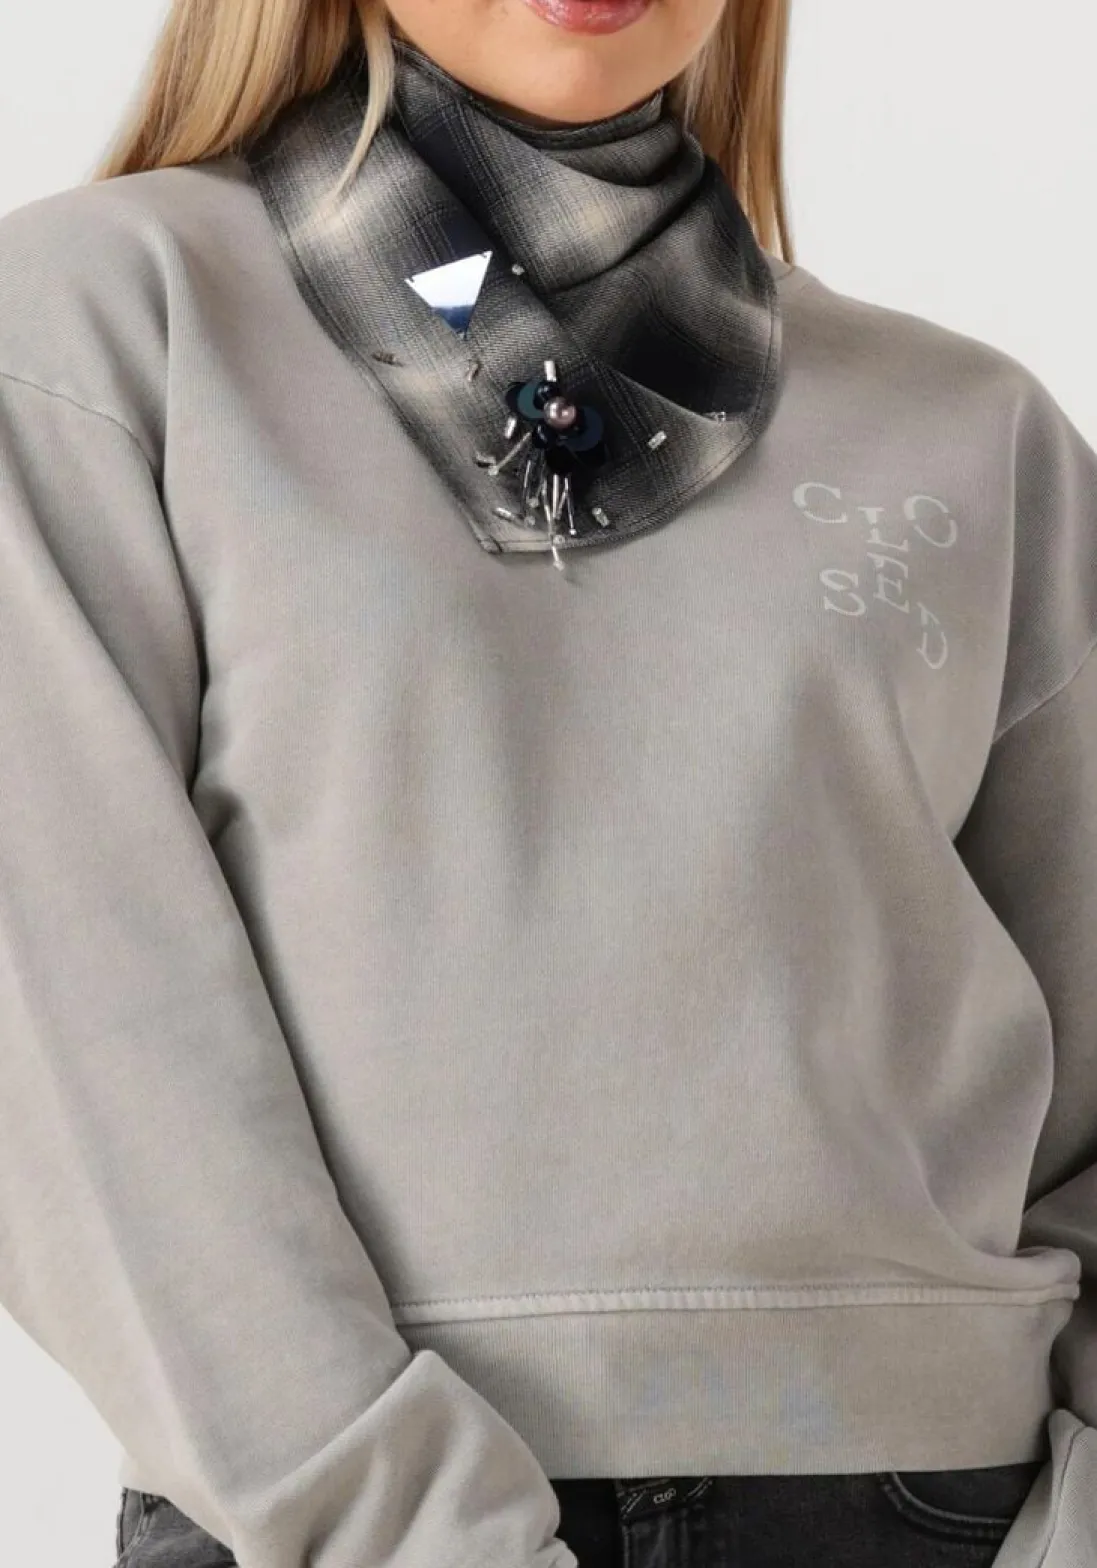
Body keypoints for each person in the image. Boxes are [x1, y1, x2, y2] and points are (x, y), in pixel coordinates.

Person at [0, 0, 1094, 1564]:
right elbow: (69, 1033)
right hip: (332, 1521)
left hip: (935, 1505)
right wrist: (395, 1523)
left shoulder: (976, 433)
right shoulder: (104, 328)